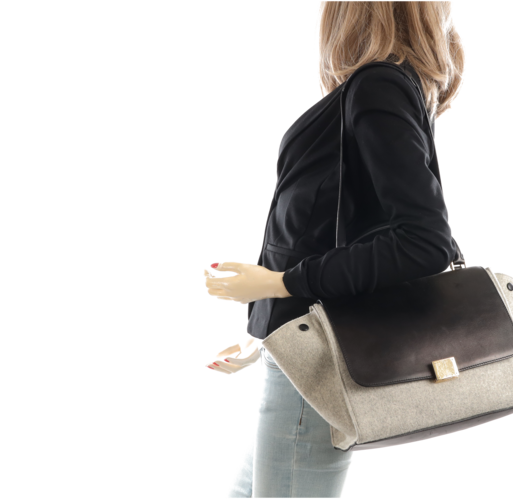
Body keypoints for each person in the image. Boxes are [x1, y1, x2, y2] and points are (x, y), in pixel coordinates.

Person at [204, 1, 467, 497]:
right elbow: (328, 232)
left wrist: (281, 284)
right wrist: (264, 335)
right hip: (298, 354)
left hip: (318, 364)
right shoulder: (378, 89)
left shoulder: (378, 86)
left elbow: (424, 242)